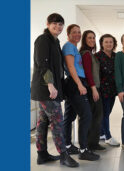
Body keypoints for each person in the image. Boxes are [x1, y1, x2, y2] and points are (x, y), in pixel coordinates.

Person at [31, 13, 79, 167]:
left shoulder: (55, 41)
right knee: (57, 121)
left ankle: (42, 154)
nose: (58, 27)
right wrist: (51, 85)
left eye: (60, 24)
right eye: (55, 23)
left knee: (43, 122)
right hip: (46, 89)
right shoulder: (43, 40)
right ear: (47, 24)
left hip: (50, 89)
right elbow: (43, 64)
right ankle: (64, 155)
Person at [62, 24, 99, 161]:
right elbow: (71, 66)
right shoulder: (69, 46)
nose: (77, 34)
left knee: (69, 116)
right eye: (74, 32)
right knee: (86, 115)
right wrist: (79, 84)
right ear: (68, 34)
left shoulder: (73, 48)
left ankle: (67, 145)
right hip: (75, 83)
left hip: (75, 83)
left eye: (79, 32)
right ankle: (83, 150)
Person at [80, 30, 106, 151]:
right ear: (84, 40)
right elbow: (88, 73)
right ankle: (91, 144)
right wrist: (93, 89)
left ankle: (93, 143)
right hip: (92, 89)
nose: (92, 40)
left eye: (93, 38)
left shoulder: (90, 53)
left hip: (95, 87)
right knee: (95, 116)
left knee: (97, 116)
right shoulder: (86, 54)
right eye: (89, 38)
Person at [95, 34, 120, 146]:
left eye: (111, 42)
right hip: (101, 90)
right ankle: (108, 137)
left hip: (112, 90)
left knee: (107, 113)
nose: (109, 44)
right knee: (104, 113)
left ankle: (101, 133)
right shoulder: (97, 56)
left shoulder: (116, 56)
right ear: (101, 44)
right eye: (106, 42)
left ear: (114, 43)